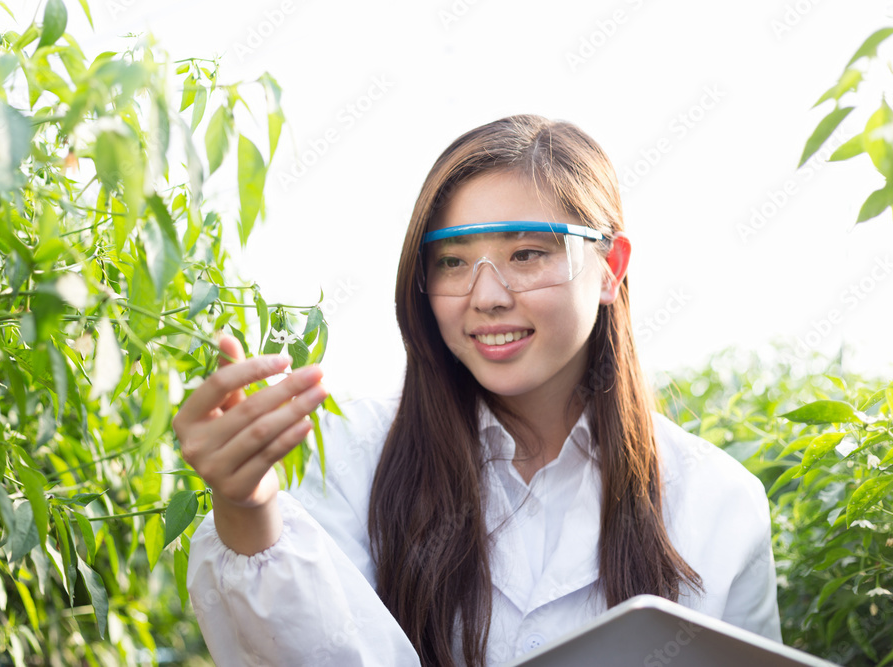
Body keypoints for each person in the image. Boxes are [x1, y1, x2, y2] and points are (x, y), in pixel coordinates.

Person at [173, 114, 781, 666]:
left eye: (526, 254)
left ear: (610, 268)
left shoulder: (719, 504)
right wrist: (247, 509)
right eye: (453, 262)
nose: (486, 296)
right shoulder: (349, 455)